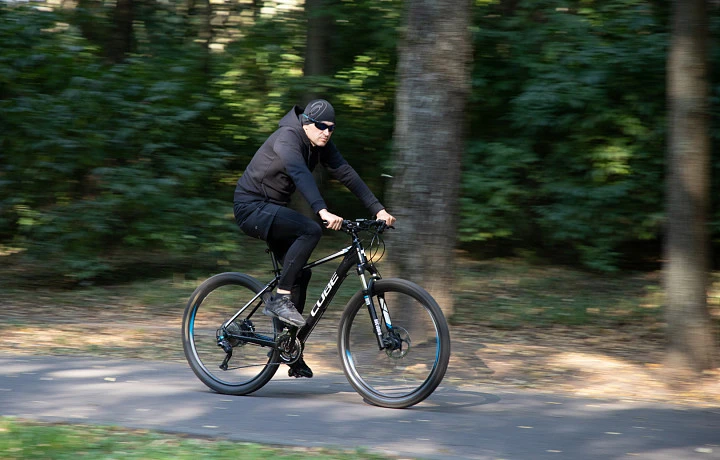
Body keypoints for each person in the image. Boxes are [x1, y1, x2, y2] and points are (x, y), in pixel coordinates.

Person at [233, 99, 396, 378]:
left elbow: (346, 173)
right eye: (322, 126)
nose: (327, 132)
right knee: (311, 230)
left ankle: (290, 349)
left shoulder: (320, 143)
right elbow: (298, 173)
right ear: (306, 122)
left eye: (332, 128)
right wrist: (321, 210)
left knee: (301, 275)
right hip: (251, 207)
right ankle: (280, 299)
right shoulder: (288, 137)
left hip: (273, 210)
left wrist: (378, 209)